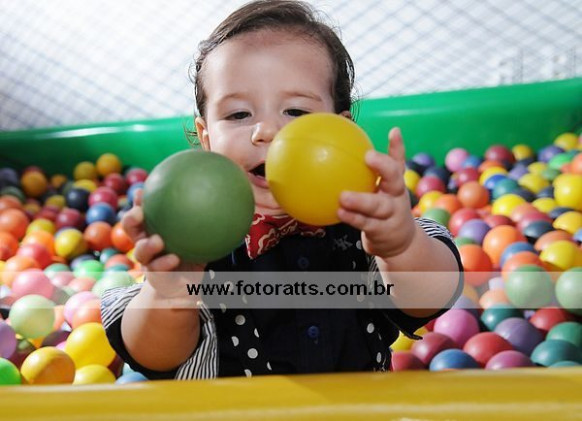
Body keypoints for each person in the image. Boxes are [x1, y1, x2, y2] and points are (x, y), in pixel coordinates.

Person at [101, 0, 463, 380]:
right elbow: (154, 357)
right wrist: (170, 293)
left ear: (340, 131)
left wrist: (401, 246)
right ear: (206, 139)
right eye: (239, 114)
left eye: (296, 112)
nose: (267, 131)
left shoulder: (367, 223)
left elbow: (430, 298)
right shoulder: (194, 240)